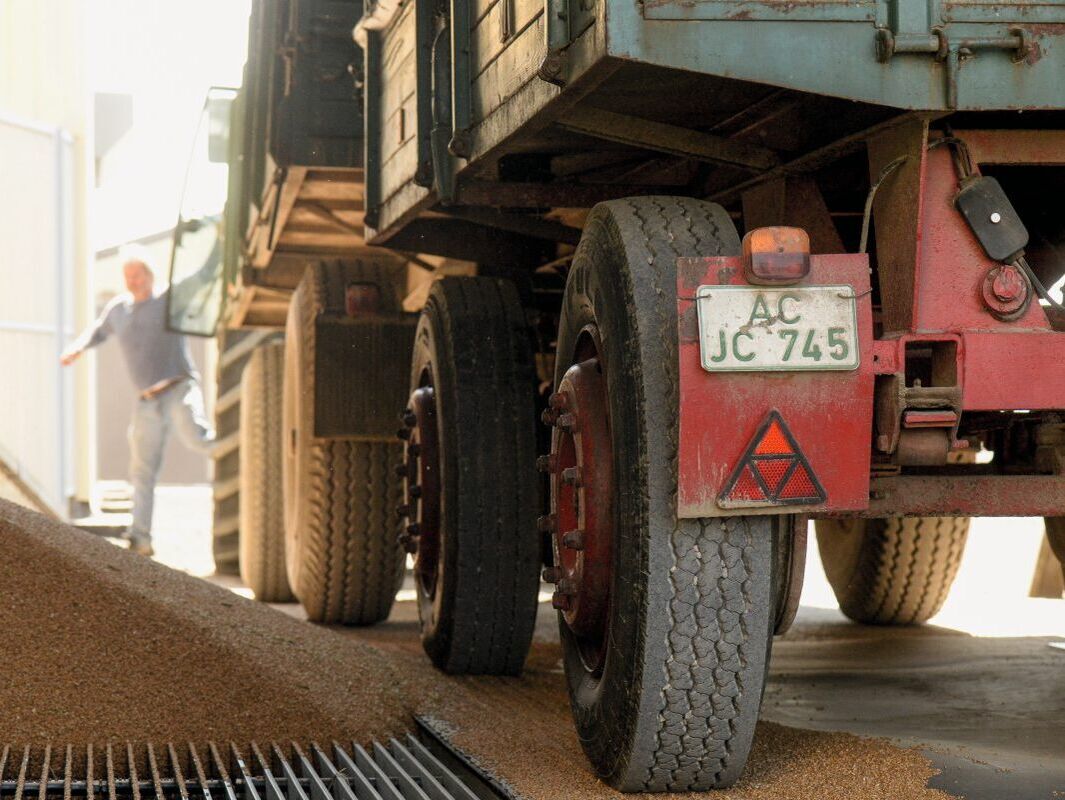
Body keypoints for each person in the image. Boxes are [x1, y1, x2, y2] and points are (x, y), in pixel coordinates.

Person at [61, 247, 215, 556]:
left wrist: (219, 244)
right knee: (142, 472)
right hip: (146, 403)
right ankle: (141, 539)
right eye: (128, 276)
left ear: (150, 274)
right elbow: (98, 331)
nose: (133, 281)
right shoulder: (119, 310)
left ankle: (243, 452)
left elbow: (202, 277)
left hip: (178, 389)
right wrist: (77, 347)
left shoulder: (168, 300)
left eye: (138, 275)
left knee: (199, 440)